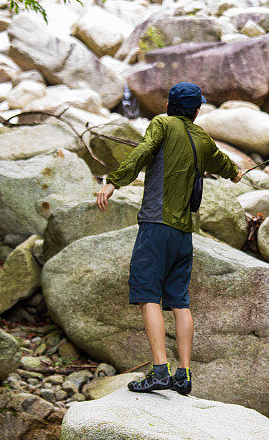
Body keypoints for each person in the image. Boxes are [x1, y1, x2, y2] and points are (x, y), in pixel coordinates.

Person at [95, 82, 242, 395]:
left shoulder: (161, 124)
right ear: (196, 110)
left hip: (155, 227)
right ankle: (184, 374)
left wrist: (113, 183)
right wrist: (236, 173)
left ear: (169, 106)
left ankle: (160, 370)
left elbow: (144, 152)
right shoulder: (202, 137)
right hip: (183, 234)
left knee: (148, 295)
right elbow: (226, 166)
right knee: (179, 301)